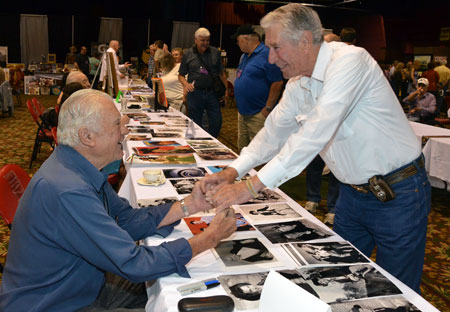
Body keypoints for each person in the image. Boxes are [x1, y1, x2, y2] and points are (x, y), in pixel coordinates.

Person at [200, 3, 429, 293]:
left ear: (305, 40)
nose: (271, 59)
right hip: (351, 195)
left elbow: (314, 134)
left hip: (398, 194)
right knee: (338, 280)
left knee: (397, 291)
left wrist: (249, 188)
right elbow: (272, 135)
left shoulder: (350, 61)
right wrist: (233, 171)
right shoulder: (299, 82)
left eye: (276, 47)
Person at [0, 89, 236, 311]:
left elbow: (126, 219)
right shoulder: (68, 190)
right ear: (88, 136)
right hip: (58, 304)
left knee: (171, 287)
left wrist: (190, 205)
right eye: (117, 124)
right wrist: (210, 237)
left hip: (81, 286)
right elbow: (135, 264)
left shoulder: (79, 168)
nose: (125, 131)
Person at [304, 32, 341, 226]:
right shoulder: (312, 73)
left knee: (336, 172)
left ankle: (333, 208)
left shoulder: (344, 73)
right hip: (316, 131)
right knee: (314, 167)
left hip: (337, 134)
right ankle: (313, 199)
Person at [232, 24, 283, 151]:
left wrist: (267, 108)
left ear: (246, 39)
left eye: (238, 41)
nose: (237, 44)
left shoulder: (267, 54)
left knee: (260, 152)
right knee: (243, 151)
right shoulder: (244, 56)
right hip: (243, 113)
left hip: (258, 114)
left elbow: (277, 82)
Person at [178, 27, 228, 137]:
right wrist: (186, 85)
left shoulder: (215, 52)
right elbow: (181, 75)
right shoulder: (188, 54)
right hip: (195, 93)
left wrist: (226, 91)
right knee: (195, 123)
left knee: (217, 121)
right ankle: (197, 143)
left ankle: (210, 140)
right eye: (202, 40)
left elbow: (221, 73)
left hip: (212, 93)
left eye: (207, 40)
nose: (205, 43)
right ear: (196, 40)